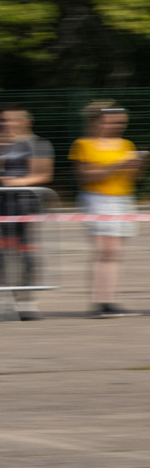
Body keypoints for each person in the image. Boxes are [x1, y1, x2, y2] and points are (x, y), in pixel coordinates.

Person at [70, 102, 143, 318]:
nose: (116, 126)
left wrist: (138, 165)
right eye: (110, 121)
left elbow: (133, 178)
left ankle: (110, 300)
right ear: (96, 121)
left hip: (123, 198)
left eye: (120, 122)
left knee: (116, 252)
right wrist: (117, 166)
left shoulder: (125, 144)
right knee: (105, 250)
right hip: (97, 199)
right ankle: (100, 302)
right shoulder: (83, 144)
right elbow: (85, 177)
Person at [0, 106, 53, 319]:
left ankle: (26, 300)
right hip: (1, 203)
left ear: (25, 122)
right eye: (2, 120)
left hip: (25, 203)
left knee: (25, 251)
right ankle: (1, 301)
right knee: (0, 252)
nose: (4, 125)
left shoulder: (38, 144)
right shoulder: (0, 145)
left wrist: (20, 182)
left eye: (10, 120)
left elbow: (44, 174)